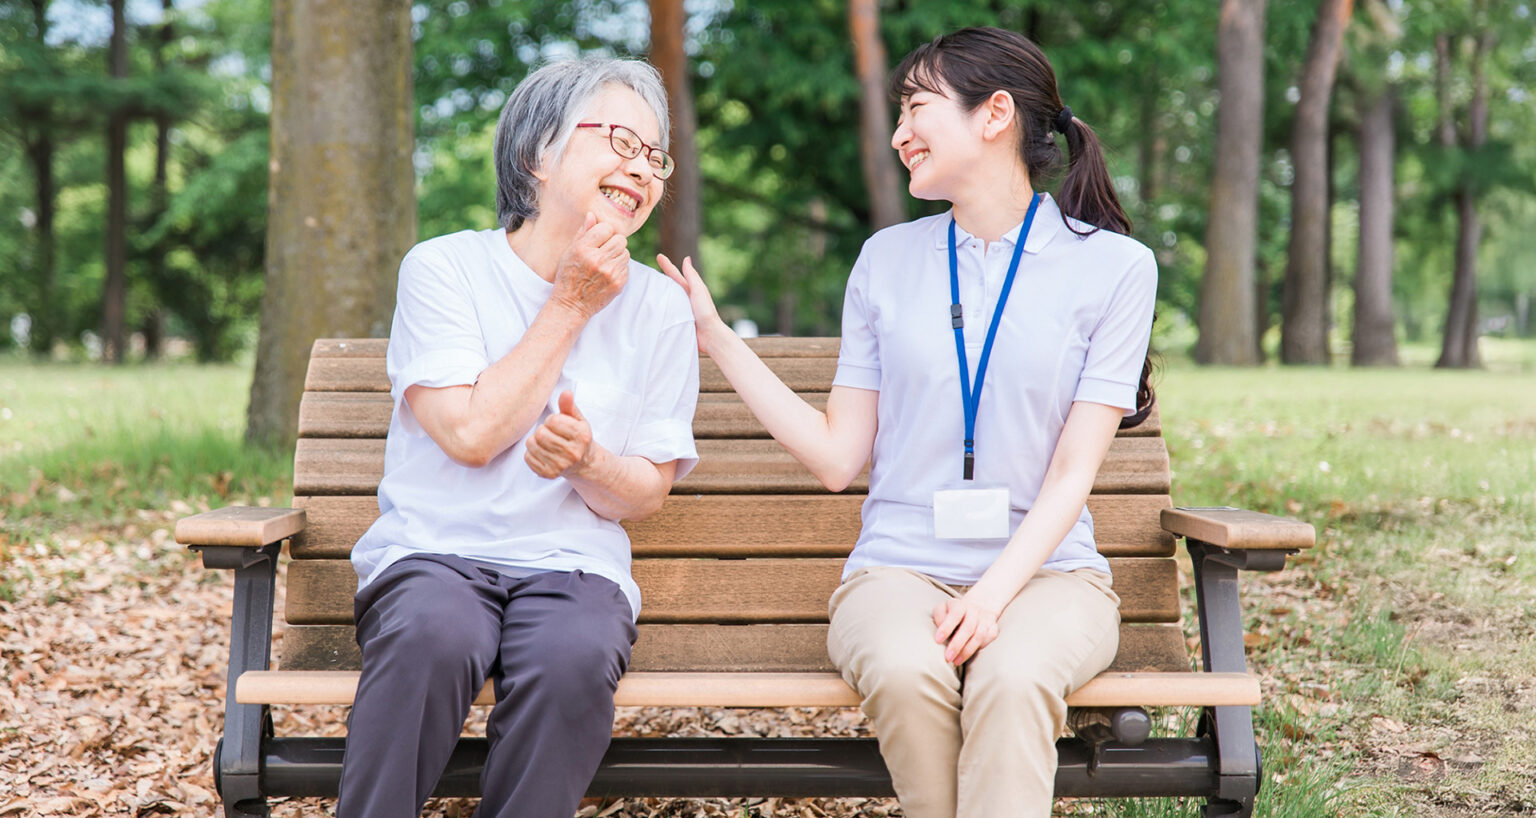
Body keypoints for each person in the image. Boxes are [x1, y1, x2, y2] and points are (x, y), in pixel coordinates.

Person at [660, 26, 1156, 818]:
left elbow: (1072, 475)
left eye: (916, 108)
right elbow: (835, 457)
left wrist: (991, 597)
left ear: (994, 114)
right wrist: (717, 338)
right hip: (896, 572)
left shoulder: (1115, 268)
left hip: (1051, 576)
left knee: (1013, 674)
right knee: (904, 667)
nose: (898, 134)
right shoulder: (885, 260)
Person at [337, 57, 699, 818]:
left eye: (654, 155)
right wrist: (570, 304)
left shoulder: (660, 309)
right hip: (436, 552)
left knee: (574, 656)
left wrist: (588, 459)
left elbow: (648, 492)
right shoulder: (444, 269)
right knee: (433, 633)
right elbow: (469, 434)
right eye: (620, 143)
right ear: (537, 152)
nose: (642, 169)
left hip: (572, 568)